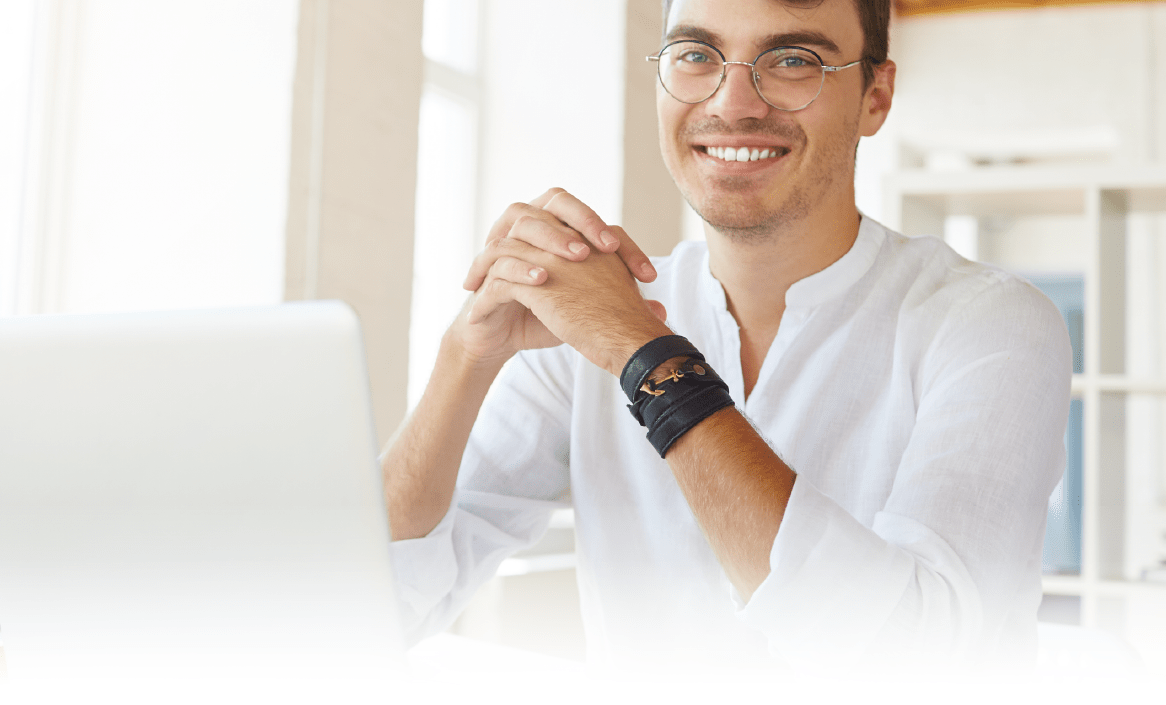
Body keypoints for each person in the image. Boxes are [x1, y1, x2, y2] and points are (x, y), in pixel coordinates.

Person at [380, 0, 1072, 671]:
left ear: (874, 97)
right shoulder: (582, 325)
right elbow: (375, 611)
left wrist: (646, 358)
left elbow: (914, 661)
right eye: (695, 55)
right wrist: (465, 355)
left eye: (792, 60)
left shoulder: (990, 324)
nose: (733, 102)